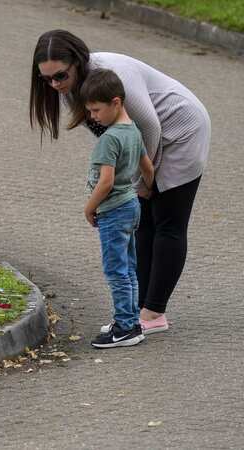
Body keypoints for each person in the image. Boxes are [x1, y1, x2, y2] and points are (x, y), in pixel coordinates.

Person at [29, 30, 211, 335]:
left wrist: (142, 179)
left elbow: (148, 128)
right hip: (146, 138)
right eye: (46, 79)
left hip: (180, 130)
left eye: (60, 76)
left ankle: (152, 314)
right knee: (143, 222)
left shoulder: (111, 76)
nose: (55, 85)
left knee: (168, 222)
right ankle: (138, 310)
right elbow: (113, 135)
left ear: (78, 61)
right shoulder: (70, 87)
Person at [80, 69, 154, 348]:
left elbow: (105, 181)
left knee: (116, 270)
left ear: (116, 102)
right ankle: (131, 320)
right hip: (131, 205)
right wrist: (147, 188)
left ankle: (125, 327)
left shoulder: (109, 139)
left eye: (96, 110)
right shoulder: (133, 130)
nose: (93, 117)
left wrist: (89, 208)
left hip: (113, 210)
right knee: (129, 267)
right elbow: (147, 167)